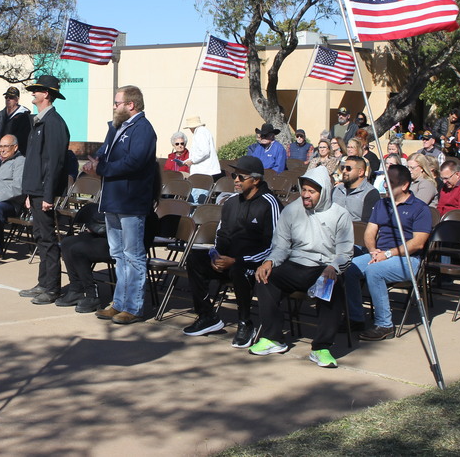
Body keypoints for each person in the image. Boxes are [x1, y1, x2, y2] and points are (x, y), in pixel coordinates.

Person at [249, 167, 354, 368]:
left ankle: (321, 348)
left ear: (323, 192)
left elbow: (345, 252)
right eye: (304, 189)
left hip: (324, 266)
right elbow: (281, 246)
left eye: (312, 192)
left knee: (331, 287)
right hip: (295, 263)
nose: (306, 195)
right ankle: (273, 338)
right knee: (265, 278)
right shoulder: (291, 210)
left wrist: (334, 267)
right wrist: (270, 261)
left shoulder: (339, 214)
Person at [181, 156, 281, 348]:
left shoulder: (270, 203)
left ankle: (245, 323)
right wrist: (216, 255)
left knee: (238, 270)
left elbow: (275, 245)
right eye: (235, 175)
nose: (235, 180)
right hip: (228, 260)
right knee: (194, 259)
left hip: (255, 264)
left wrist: (237, 260)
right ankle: (207, 315)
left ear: (256, 180)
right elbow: (222, 234)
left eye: (241, 177)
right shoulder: (231, 202)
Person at [83, 85, 158, 324]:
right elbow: (104, 152)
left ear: (130, 105)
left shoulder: (143, 130)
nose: (114, 107)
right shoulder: (116, 128)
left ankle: (134, 307)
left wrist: (102, 168)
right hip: (112, 199)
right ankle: (119, 303)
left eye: (117, 103)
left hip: (131, 201)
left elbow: (135, 161)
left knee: (133, 255)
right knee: (118, 255)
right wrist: (94, 162)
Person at [344, 164, 432, 341]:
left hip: (408, 259)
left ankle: (384, 324)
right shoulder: (381, 204)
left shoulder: (420, 208)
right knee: (348, 268)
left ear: (405, 185)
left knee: (374, 271)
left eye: (390, 182)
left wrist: (388, 254)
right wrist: (372, 250)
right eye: (385, 181)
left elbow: (418, 243)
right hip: (379, 254)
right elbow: (370, 232)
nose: (385, 185)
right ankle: (356, 318)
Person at [18, 75, 71, 304]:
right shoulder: (39, 121)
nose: (32, 94)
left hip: (45, 192)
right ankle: (43, 282)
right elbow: (35, 161)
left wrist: (47, 195)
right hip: (36, 190)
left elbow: (54, 163)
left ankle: (52, 288)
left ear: (46, 95)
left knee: (48, 240)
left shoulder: (54, 123)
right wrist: (29, 193)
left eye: (36, 91)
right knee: (40, 237)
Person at [56, 203, 110, 314]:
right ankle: (76, 289)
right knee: (66, 243)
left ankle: (92, 295)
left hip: (116, 239)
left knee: (78, 250)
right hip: (102, 230)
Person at [333, 155, 380, 224]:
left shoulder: (370, 193)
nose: (344, 171)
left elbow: (367, 224)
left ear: (360, 172)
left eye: (348, 168)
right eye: (342, 168)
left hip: (356, 232)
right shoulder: (336, 190)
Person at [0, 86, 31, 159]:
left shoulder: (24, 116)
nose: (8, 99)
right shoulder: (0, 115)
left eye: (11, 97)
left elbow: (22, 138)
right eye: (6, 97)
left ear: (17, 99)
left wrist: (9, 149)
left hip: (15, 154)